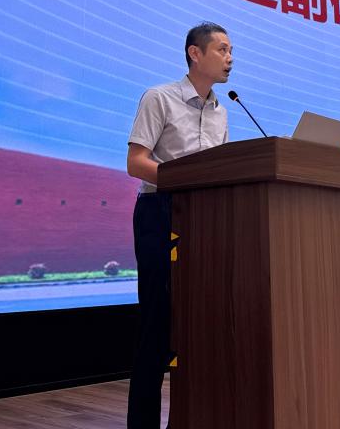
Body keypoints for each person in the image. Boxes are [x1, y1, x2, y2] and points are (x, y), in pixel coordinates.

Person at [125, 22, 233, 429]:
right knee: (157, 327)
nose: (230, 59)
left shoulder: (222, 111)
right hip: (160, 212)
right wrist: (184, 181)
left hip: (205, 220)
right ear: (195, 53)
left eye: (231, 51)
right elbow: (136, 162)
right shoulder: (160, 98)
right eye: (222, 50)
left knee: (200, 326)